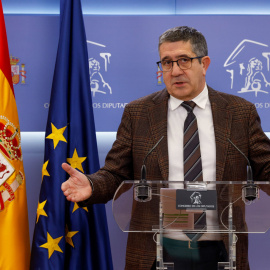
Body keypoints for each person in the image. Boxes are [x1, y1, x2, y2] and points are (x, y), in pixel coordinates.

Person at [61, 26, 270, 270]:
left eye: (184, 60)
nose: (175, 71)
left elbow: (265, 166)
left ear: (205, 63)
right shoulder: (138, 113)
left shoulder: (239, 112)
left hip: (223, 251)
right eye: (167, 63)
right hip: (157, 251)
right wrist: (93, 184)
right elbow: (116, 172)